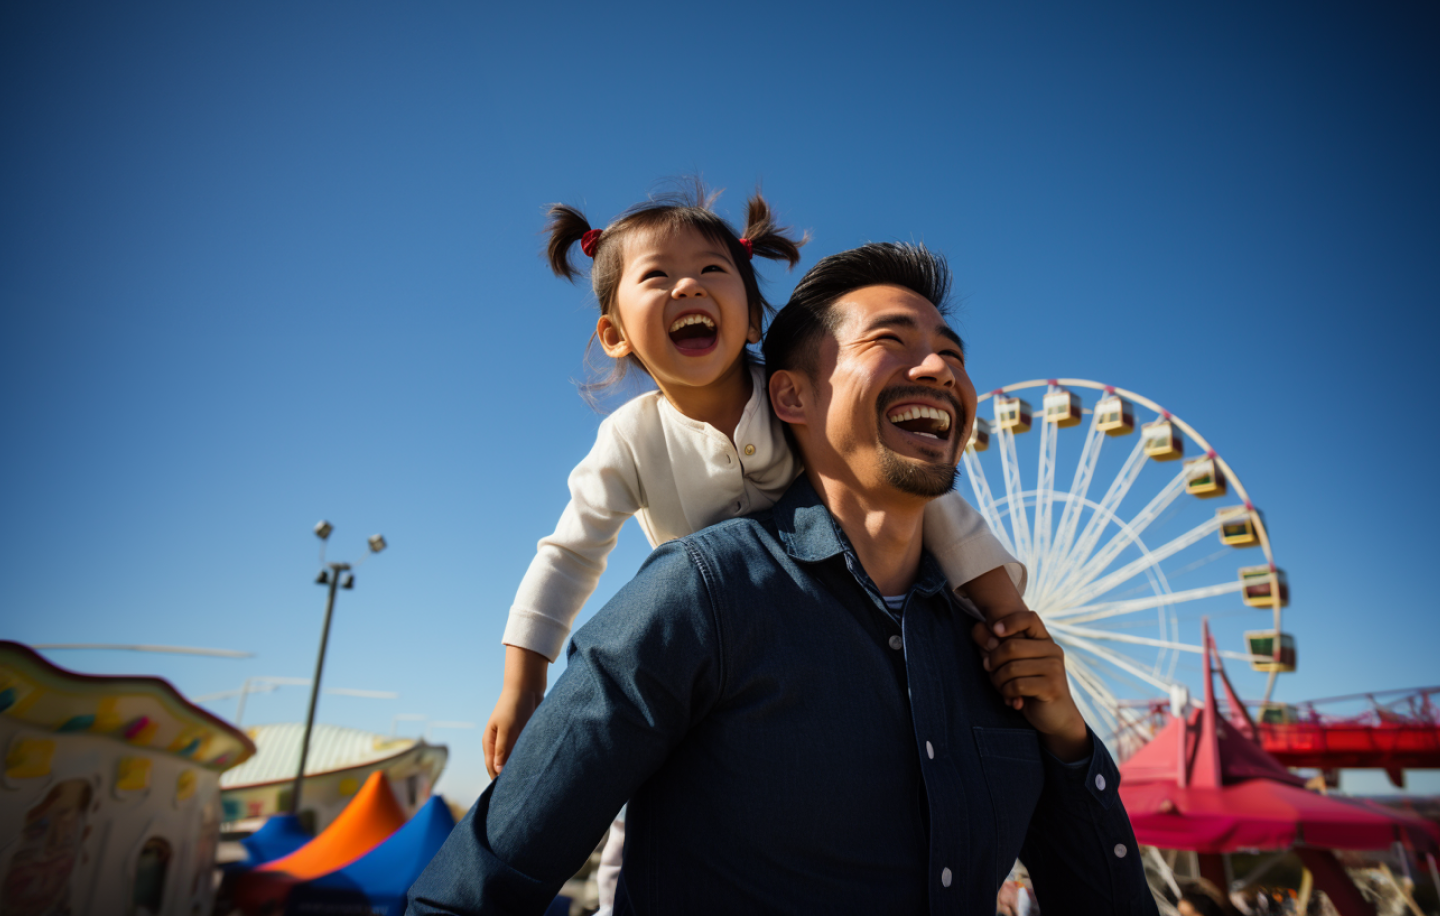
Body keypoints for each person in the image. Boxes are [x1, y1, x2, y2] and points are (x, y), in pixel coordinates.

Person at [408, 242, 1155, 914]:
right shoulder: (699, 593)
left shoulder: (998, 659)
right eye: (891, 343)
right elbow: (474, 888)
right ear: (789, 395)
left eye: (953, 356)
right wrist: (522, 668)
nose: (939, 369)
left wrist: (1064, 734)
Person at [485, 185, 1026, 782]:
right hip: (710, 631)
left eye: (713, 270)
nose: (688, 286)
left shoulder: (795, 399)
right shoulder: (628, 439)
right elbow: (569, 554)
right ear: (614, 334)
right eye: (657, 275)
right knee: (661, 770)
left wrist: (1006, 612)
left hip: (833, 609)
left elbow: (926, 504)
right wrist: (524, 675)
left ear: (751, 321)